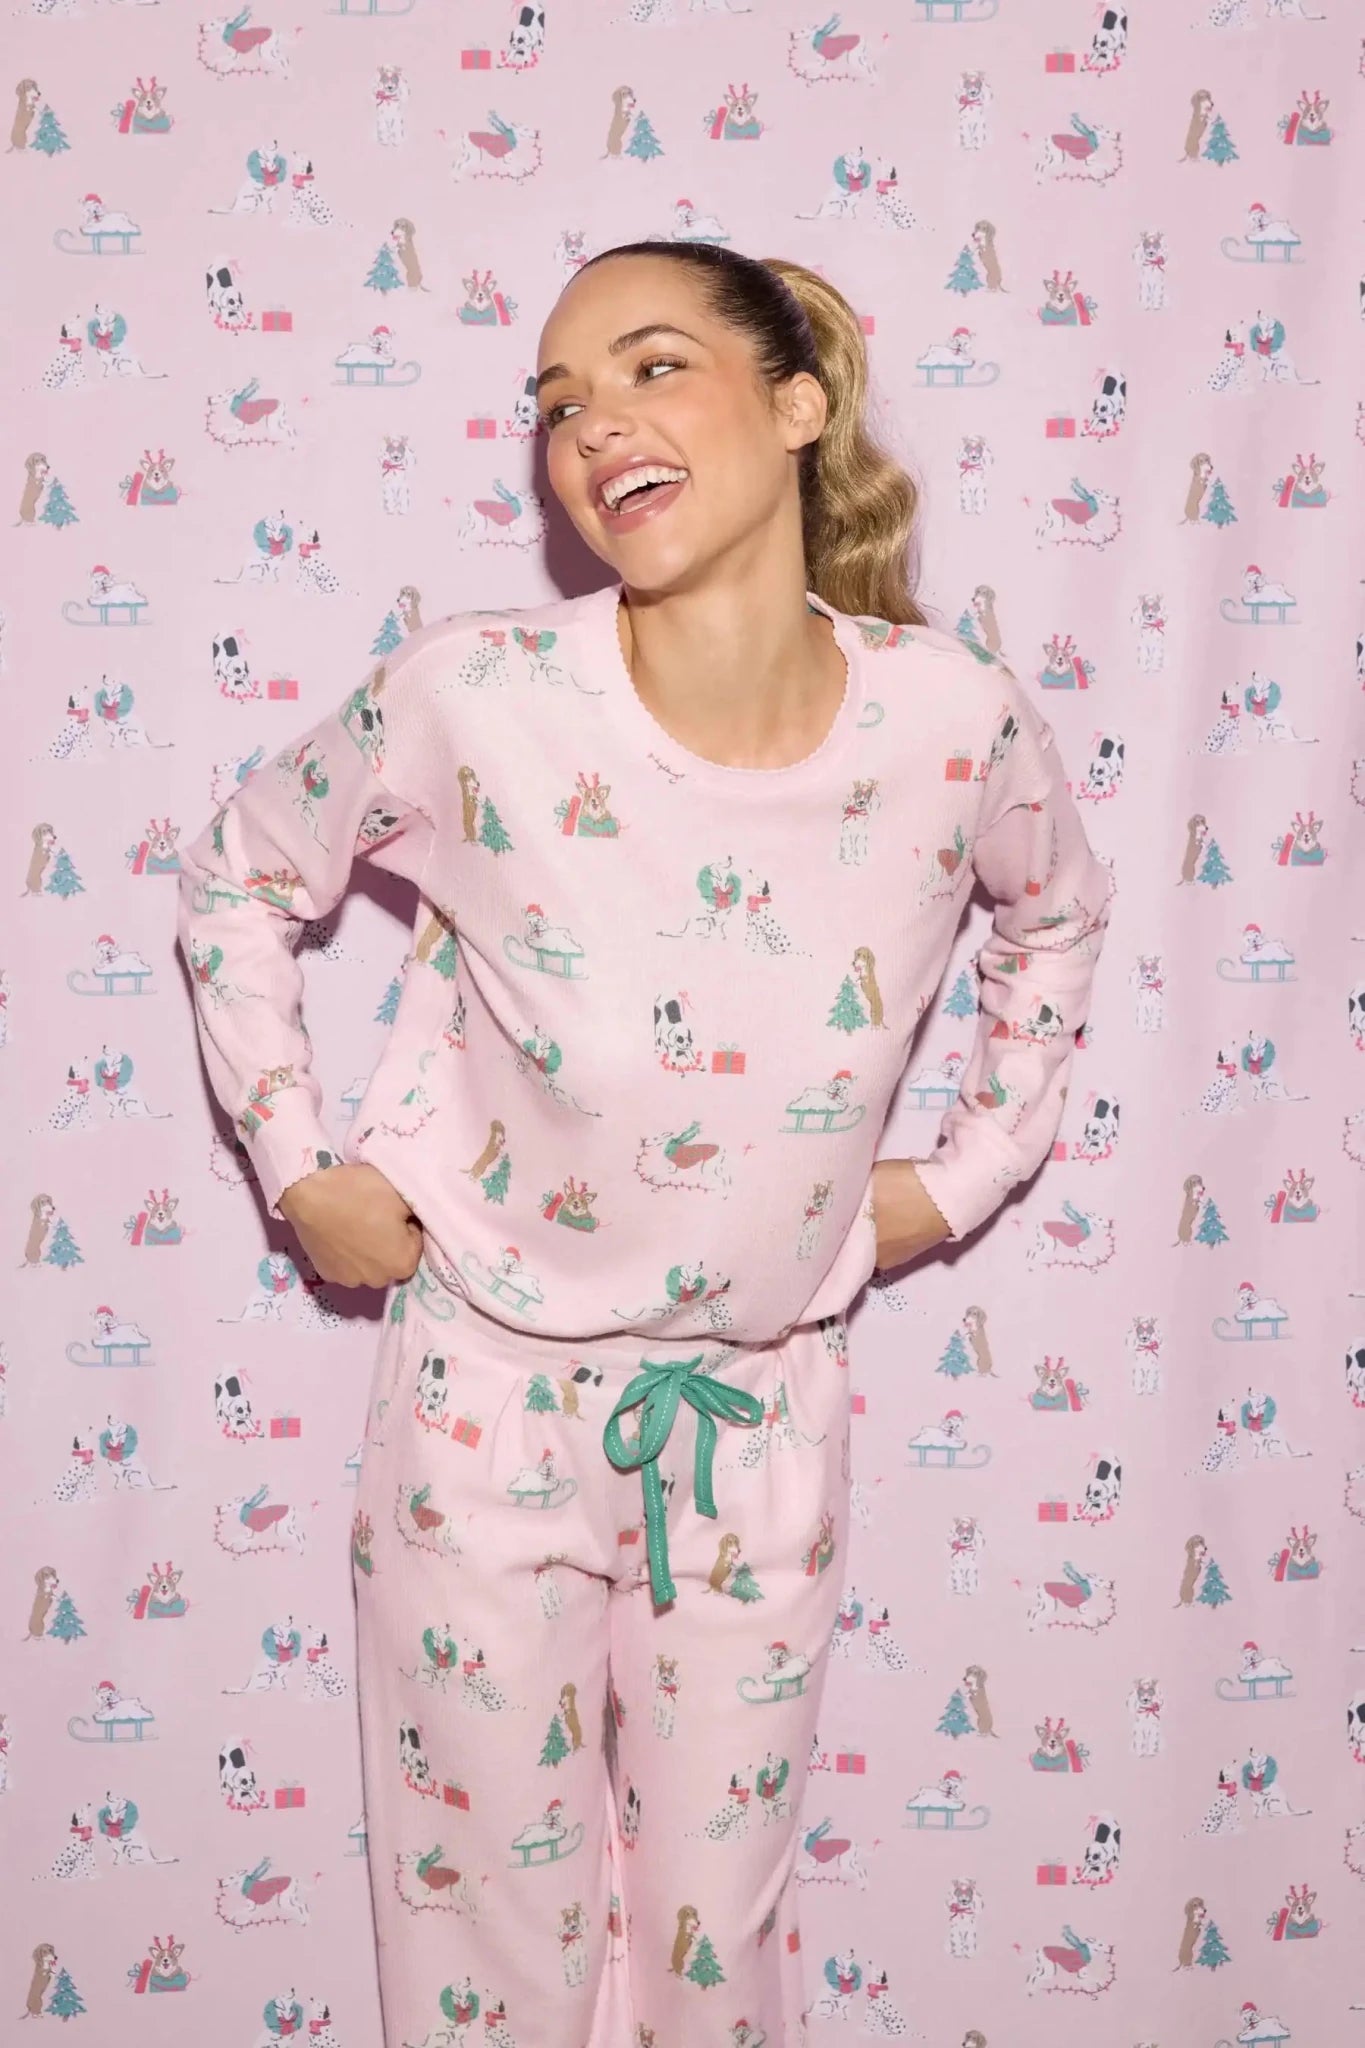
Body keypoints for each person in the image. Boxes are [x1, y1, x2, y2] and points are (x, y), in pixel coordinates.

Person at [176, 241, 1114, 2046]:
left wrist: (967, 1173)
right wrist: (300, 1165)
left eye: (650, 367)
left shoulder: (951, 719)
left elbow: (1057, 917)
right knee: (486, 1948)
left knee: (715, 1947)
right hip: (482, 1403)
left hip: (755, 1417)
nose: (591, 425)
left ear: (797, 403)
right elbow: (237, 876)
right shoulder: (477, 694)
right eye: (556, 403)